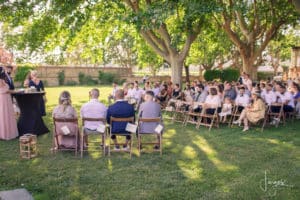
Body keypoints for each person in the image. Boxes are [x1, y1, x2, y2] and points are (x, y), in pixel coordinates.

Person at [0, 67, 18, 140]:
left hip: (5, 99)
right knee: (5, 115)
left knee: (6, 114)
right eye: (3, 71)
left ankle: (8, 133)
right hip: (4, 99)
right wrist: (15, 91)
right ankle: (6, 134)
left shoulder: (2, 80)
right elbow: (4, 91)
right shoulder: (1, 81)